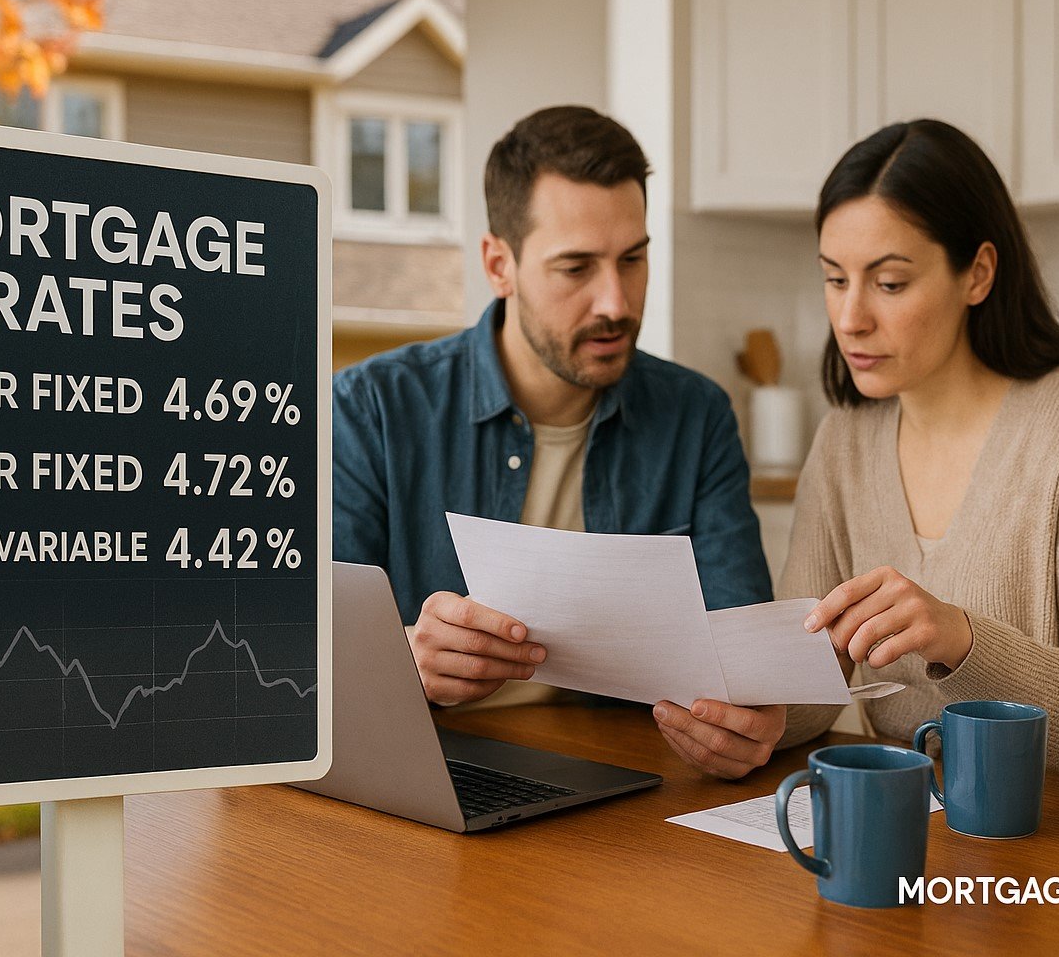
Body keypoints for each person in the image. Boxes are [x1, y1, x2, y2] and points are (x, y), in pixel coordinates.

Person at [334, 105, 783, 778]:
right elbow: (290, 654)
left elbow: (742, 656)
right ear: (499, 265)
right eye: (576, 268)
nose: (616, 303)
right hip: (425, 767)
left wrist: (748, 718)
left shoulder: (697, 417)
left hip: (624, 774)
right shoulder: (371, 409)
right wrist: (403, 658)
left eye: (633, 260)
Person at [780, 118, 1059, 786]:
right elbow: (810, 680)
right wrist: (753, 720)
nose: (850, 318)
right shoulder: (845, 437)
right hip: (945, 826)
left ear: (977, 274)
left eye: (889, 284)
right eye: (835, 279)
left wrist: (961, 641)